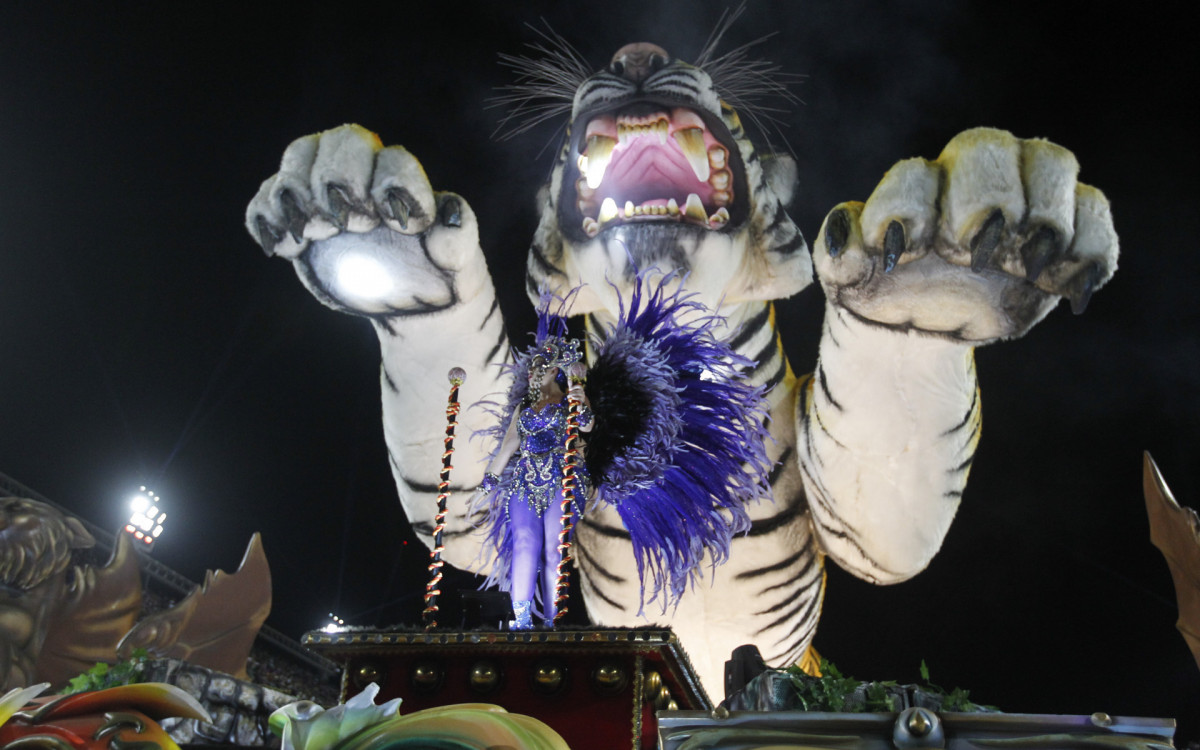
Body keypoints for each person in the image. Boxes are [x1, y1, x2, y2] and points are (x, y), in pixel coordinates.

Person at [478, 339, 592, 629]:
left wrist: (581, 397)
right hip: (525, 480)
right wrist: (486, 486)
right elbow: (507, 448)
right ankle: (521, 621)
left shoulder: (569, 401)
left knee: (554, 549)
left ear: (554, 371)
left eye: (538, 367)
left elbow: (588, 425)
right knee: (524, 542)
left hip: (562, 477)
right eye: (530, 368)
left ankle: (553, 624)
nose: (531, 372)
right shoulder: (524, 407)